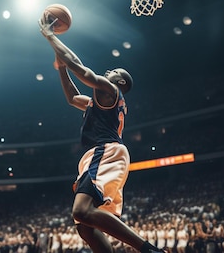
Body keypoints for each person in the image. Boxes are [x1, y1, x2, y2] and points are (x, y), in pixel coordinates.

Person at [39, 17, 163, 253]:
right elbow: (73, 98)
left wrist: (51, 37)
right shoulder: (99, 102)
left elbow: (84, 72)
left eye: (113, 71)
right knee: (85, 226)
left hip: (106, 151)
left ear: (120, 81)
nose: (108, 71)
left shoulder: (111, 90)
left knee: (81, 211)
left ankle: (148, 249)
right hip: (98, 154)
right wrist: (62, 67)